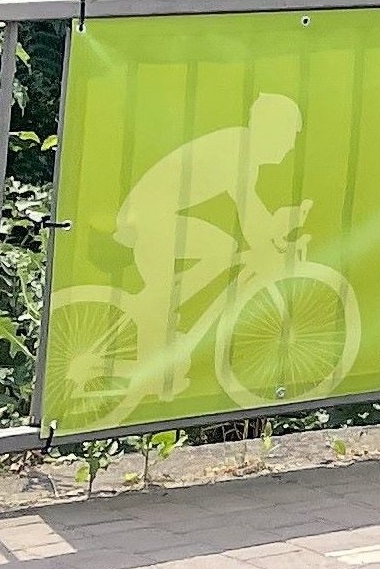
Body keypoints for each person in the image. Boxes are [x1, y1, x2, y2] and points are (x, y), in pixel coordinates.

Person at [111, 94, 306, 394]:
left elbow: (252, 213)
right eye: (289, 135)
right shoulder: (238, 152)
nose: (291, 145)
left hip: (149, 213)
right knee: (181, 285)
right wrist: (275, 238)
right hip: (146, 217)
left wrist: (276, 230)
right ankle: (151, 356)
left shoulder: (242, 149)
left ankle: (163, 322)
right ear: (273, 130)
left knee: (217, 255)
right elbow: (251, 220)